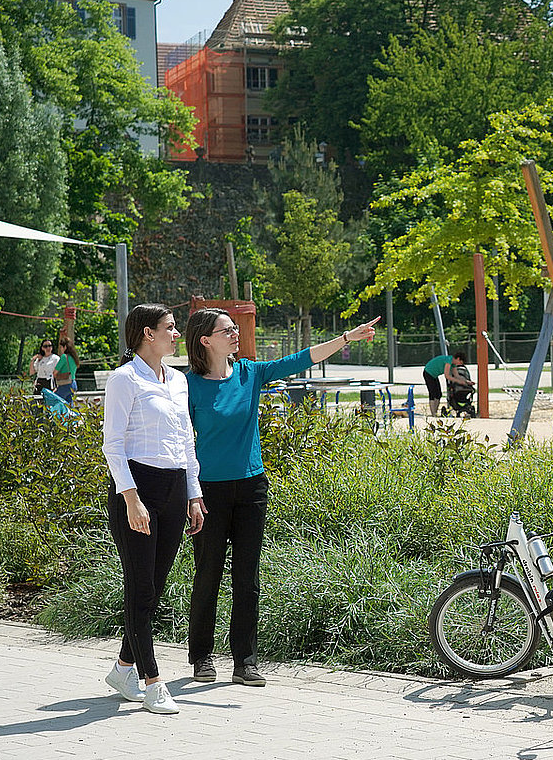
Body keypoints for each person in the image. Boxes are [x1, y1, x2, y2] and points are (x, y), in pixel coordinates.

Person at [184, 310, 380, 688]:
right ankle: (201, 656)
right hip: (208, 491)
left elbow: (300, 359)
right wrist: (188, 494)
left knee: (248, 576)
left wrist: (347, 338)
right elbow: (178, 442)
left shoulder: (249, 374)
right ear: (206, 340)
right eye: (227, 330)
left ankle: (245, 661)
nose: (235, 333)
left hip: (252, 487)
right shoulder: (188, 386)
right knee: (207, 574)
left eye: (234, 328)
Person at [100, 304, 205, 715]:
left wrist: (194, 494)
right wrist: (131, 498)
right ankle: (152, 681)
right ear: (148, 333)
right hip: (137, 488)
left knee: (154, 589)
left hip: (175, 487)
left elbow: (186, 442)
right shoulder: (124, 380)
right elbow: (113, 444)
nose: (177, 334)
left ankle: (124, 668)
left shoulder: (178, 380)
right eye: (170, 328)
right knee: (141, 587)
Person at [445, 351, 475, 417]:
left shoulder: (453, 365)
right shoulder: (450, 362)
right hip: (456, 388)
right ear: (458, 359)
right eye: (461, 362)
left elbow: (457, 376)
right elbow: (448, 376)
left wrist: (467, 382)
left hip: (463, 388)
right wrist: (459, 382)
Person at [422, 350, 451, 416]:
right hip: (428, 372)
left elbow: (455, 374)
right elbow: (447, 376)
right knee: (433, 393)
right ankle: (433, 413)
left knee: (438, 394)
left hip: (434, 374)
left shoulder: (452, 363)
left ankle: (435, 411)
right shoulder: (449, 362)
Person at [53, 339, 79, 404]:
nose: (60, 349)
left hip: (65, 385)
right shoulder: (74, 358)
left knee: (55, 402)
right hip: (73, 384)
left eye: (61, 347)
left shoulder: (64, 357)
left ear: (65, 347)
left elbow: (55, 372)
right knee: (69, 406)